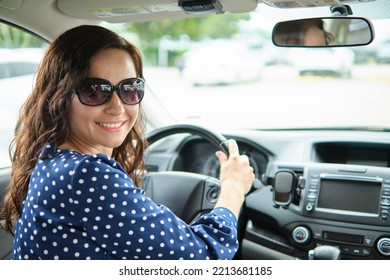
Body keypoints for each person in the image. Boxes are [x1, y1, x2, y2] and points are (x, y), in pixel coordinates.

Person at [0, 25, 255, 260]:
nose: (118, 107)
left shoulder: (50, 160)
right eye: (95, 91)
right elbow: (201, 258)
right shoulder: (86, 175)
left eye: (130, 88)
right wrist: (233, 187)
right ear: (60, 96)